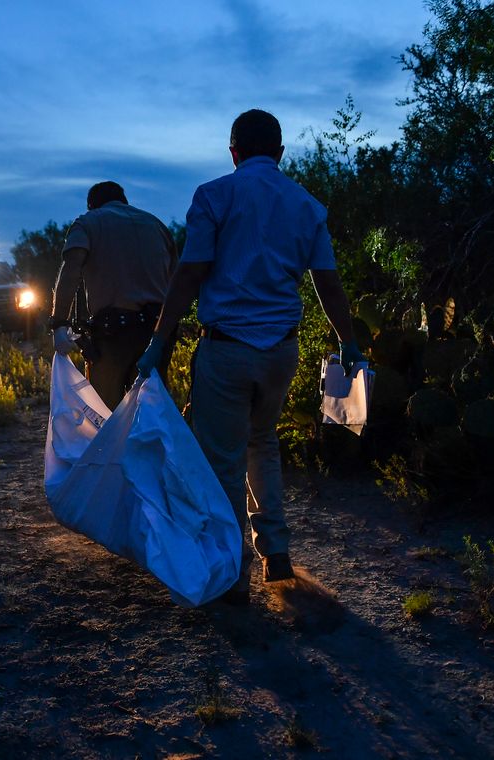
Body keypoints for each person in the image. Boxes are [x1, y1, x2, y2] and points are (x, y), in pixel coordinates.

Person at [137, 109, 365, 604]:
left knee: (221, 461)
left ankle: (229, 569)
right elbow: (328, 283)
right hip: (281, 351)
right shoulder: (306, 205)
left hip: (228, 351)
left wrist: (159, 341)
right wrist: (348, 342)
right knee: (263, 442)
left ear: (233, 152)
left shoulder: (215, 196)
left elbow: (189, 275)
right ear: (280, 154)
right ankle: (275, 553)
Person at [48, 181, 178, 411]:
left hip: (114, 333)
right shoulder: (156, 224)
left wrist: (59, 323)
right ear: (124, 201)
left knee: (106, 414)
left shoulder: (88, 222)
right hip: (158, 333)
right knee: (153, 412)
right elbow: (176, 279)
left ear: (92, 205)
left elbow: (70, 271)